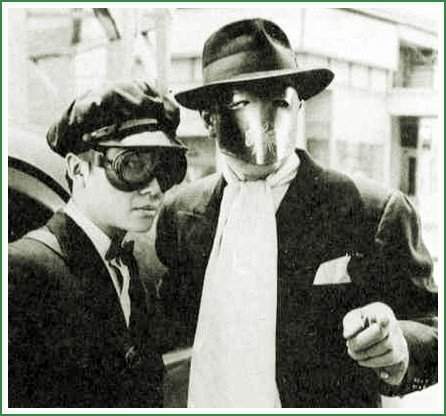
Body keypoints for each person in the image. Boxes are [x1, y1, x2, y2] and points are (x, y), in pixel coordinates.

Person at [155, 18, 438, 408]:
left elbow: (431, 329)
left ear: (300, 106)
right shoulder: (180, 214)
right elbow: (170, 331)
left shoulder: (372, 211)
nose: (267, 121)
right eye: (242, 104)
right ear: (208, 118)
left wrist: (400, 345)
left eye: (281, 102)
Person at [8, 81, 187, 407]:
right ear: (78, 169)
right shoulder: (20, 270)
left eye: (164, 169)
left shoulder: (124, 264)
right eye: (132, 165)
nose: (154, 189)